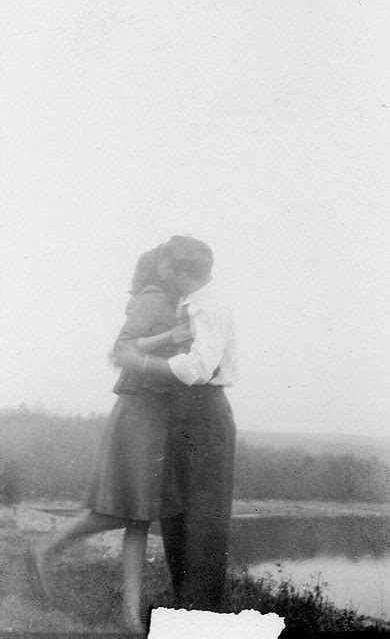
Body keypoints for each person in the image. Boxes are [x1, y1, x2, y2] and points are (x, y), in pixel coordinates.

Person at [27, 246, 191, 635]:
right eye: (171, 265)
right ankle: (44, 549)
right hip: (140, 410)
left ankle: (130, 618)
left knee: (140, 517)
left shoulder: (174, 300)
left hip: (159, 413)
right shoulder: (152, 298)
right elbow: (119, 350)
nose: (175, 271)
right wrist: (173, 335)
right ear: (161, 269)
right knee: (124, 510)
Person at [113, 235, 238, 611]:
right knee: (177, 517)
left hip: (204, 414)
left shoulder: (208, 307)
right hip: (185, 411)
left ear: (183, 273)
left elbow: (199, 367)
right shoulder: (190, 302)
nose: (161, 270)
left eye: (168, 266)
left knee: (204, 521)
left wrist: (150, 365)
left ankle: (201, 617)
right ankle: (187, 610)